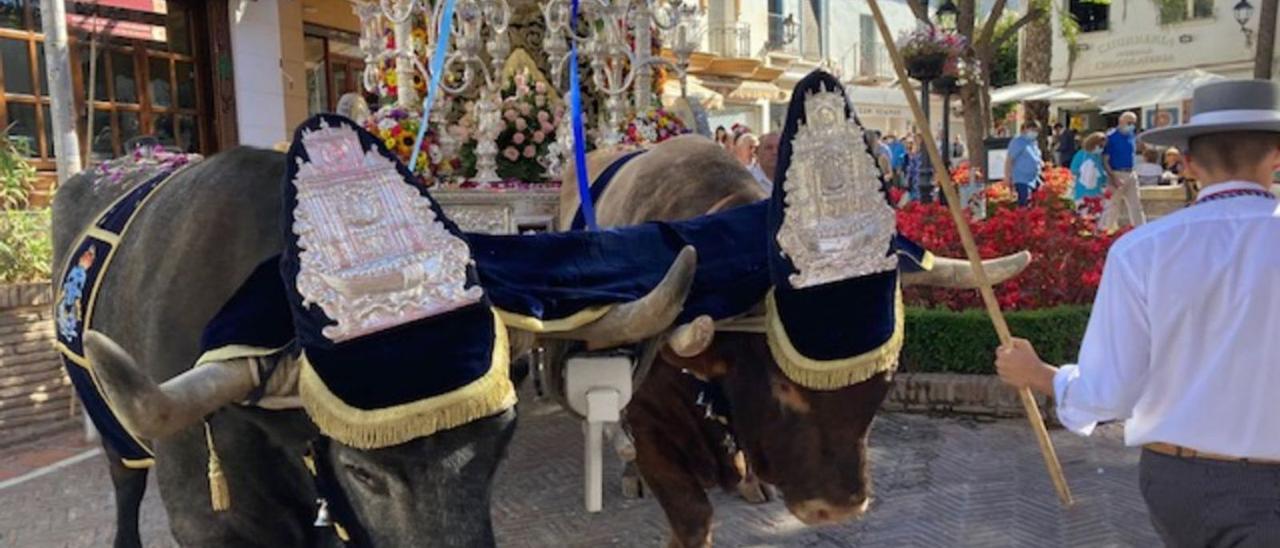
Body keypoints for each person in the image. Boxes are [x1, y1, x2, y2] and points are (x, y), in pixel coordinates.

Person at [993, 79, 1280, 548]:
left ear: (1185, 163)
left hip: (1186, 482)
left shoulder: (1144, 251)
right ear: (1277, 155)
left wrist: (1040, 374)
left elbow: (1112, 390)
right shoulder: (1142, 250)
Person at [1102, 111, 1146, 229]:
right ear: (1121, 122)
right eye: (1129, 122)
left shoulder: (1131, 136)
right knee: (1113, 207)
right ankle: (1106, 233)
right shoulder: (1111, 138)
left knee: (1136, 206)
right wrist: (1112, 177)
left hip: (1131, 173)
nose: (1132, 125)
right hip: (1116, 173)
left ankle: (1141, 231)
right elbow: (1105, 159)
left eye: (1133, 123)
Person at [1004, 121, 1044, 207]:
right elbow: (1009, 160)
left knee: (1035, 205)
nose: (1034, 132)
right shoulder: (1017, 142)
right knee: (1024, 204)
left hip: (1034, 178)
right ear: (1025, 129)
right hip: (1022, 179)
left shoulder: (1033, 142)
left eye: (1036, 130)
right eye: (1032, 129)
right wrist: (1007, 177)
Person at [1069, 131, 1108, 207]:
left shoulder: (1099, 157)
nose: (1102, 149)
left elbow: (1101, 173)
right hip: (1082, 191)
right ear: (1093, 144)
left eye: (1103, 147)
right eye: (1100, 146)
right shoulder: (1081, 154)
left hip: (1097, 192)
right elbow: (1073, 169)